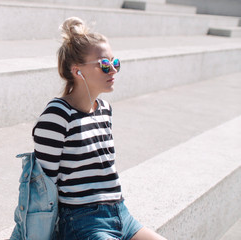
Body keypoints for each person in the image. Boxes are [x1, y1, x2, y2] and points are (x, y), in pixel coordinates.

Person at [32, 17, 167, 240]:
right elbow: (44, 186)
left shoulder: (104, 109)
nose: (113, 70)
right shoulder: (57, 115)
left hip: (121, 213)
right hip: (82, 221)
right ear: (78, 71)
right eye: (104, 65)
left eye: (115, 63)